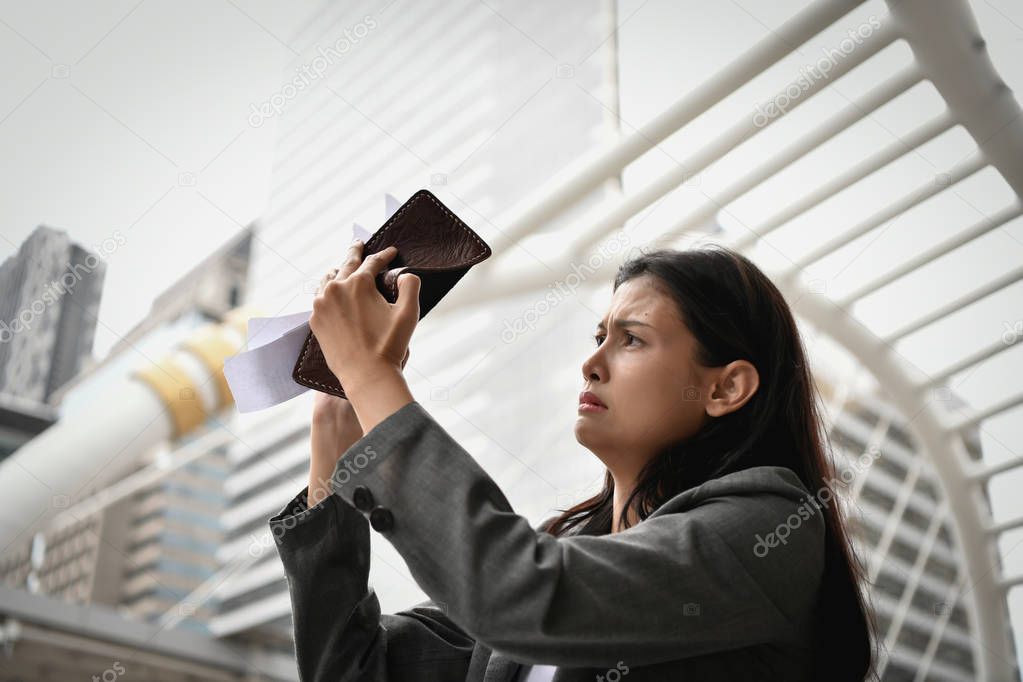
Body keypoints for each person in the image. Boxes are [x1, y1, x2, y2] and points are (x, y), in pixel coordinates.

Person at [268, 240, 879, 681]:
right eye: (599, 336)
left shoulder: (770, 525)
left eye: (632, 338)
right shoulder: (561, 543)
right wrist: (336, 428)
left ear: (725, 388)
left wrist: (374, 376)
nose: (593, 362)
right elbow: (351, 671)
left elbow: (517, 592)